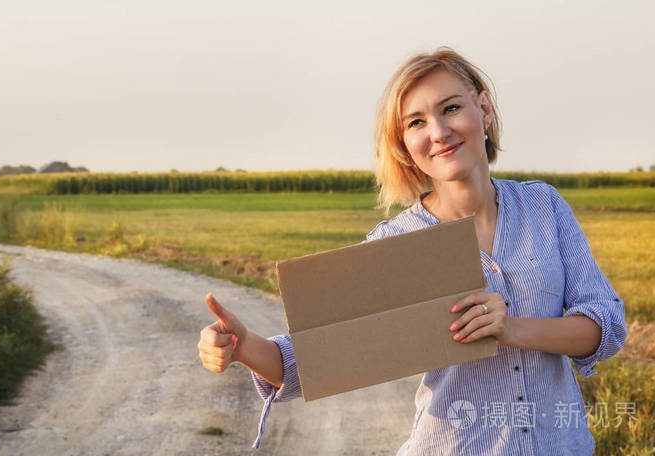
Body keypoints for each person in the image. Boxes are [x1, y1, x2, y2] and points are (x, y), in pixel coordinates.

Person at [197, 47, 627, 455]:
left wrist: (511, 329)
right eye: (416, 122)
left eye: (451, 108)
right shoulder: (397, 245)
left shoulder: (543, 206)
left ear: (484, 109)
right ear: (404, 144)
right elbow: (308, 360)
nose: (438, 132)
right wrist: (242, 345)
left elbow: (605, 325)